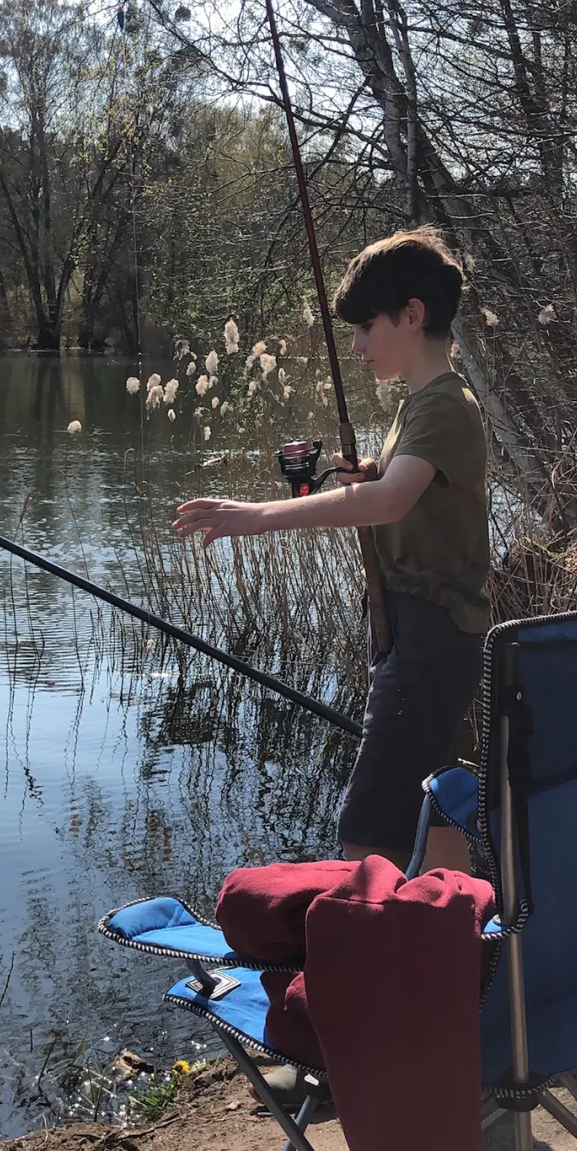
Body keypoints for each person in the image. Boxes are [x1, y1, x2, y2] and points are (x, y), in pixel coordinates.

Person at [172, 227, 490, 875]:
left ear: (412, 315)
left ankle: (389, 963)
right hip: (425, 636)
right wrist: (375, 471)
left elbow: (391, 504)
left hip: (429, 642)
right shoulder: (423, 404)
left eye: (366, 326)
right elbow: (404, 491)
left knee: (367, 829)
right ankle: (464, 940)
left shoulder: (444, 406)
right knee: (437, 805)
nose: (358, 344)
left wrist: (258, 517)